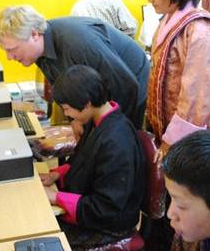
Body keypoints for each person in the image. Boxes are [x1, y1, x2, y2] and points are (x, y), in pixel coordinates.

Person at [139, 0, 210, 250]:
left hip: (197, 141)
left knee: (199, 210)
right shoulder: (170, 21)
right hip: (175, 139)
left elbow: (199, 98)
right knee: (179, 212)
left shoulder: (201, 30)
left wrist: (171, 142)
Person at [0, 5, 149, 131]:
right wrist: (75, 121)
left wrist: (112, 132)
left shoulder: (80, 44)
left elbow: (126, 87)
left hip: (132, 81)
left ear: (34, 35)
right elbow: (67, 92)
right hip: (106, 86)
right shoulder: (39, 50)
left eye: (12, 49)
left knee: (117, 143)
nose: (9, 57)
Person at [39, 65, 146, 249]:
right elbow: (81, 159)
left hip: (108, 224)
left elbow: (105, 207)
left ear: (87, 103)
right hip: (93, 206)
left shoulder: (117, 143)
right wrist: (57, 174)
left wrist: (56, 198)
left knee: (43, 236)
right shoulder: (97, 121)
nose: (66, 114)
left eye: (67, 109)